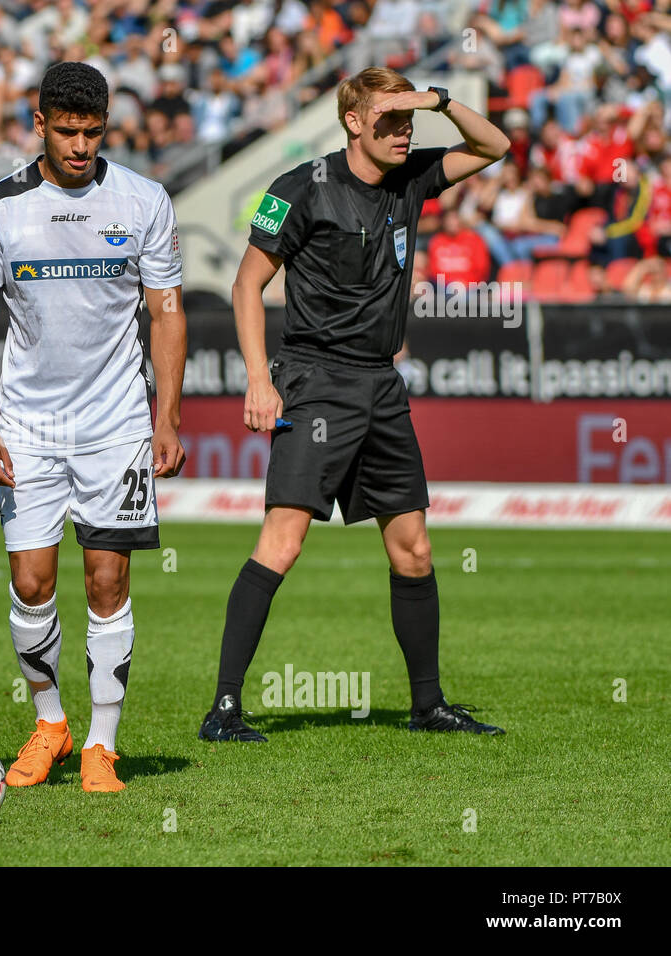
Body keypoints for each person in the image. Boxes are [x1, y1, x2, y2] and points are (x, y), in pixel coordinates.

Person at [198, 67, 511, 743]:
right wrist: (260, 379)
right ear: (351, 122)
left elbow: (495, 147)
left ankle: (428, 707)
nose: (404, 134)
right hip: (315, 381)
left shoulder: (412, 177)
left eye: (409, 123)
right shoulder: (298, 189)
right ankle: (224, 708)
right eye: (389, 121)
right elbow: (247, 286)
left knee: (416, 551)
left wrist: (439, 100)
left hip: (381, 385)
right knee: (283, 543)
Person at [0, 62, 188, 793]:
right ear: (39, 123)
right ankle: (51, 723)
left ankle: (102, 745)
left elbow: (167, 313)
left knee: (107, 578)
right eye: (67, 131)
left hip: (117, 421)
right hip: (26, 423)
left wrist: (168, 416)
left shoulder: (144, 200)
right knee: (31, 582)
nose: (81, 146)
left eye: (93, 132)